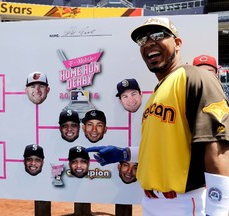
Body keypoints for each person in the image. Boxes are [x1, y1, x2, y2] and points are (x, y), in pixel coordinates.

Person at [86, 17, 229, 216]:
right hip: (153, 202)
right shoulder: (157, 92)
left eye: (159, 35)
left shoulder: (195, 77)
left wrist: (219, 211)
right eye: (143, 40)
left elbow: (217, 148)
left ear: (177, 43)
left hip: (184, 203)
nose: (149, 42)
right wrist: (125, 154)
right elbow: (164, 148)